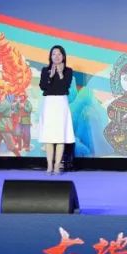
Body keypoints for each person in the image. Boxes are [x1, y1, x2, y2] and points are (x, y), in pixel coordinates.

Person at [39, 45, 75, 174]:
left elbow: (65, 87)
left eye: (59, 54)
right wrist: (51, 75)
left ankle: (57, 165)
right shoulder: (45, 70)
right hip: (49, 103)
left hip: (61, 103)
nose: (56, 56)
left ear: (63, 56)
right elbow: (43, 87)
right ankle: (49, 165)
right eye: (54, 54)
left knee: (60, 136)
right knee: (49, 136)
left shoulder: (68, 71)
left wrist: (60, 74)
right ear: (50, 56)